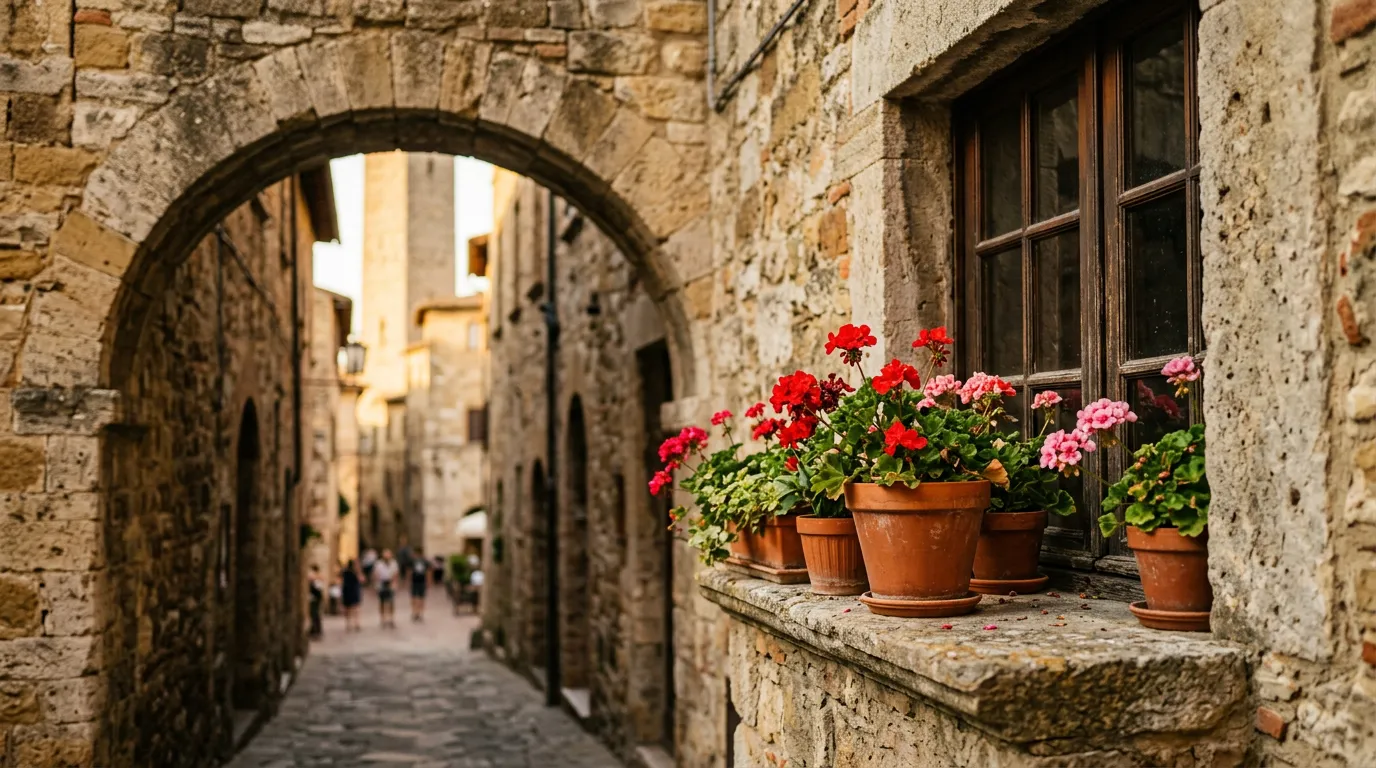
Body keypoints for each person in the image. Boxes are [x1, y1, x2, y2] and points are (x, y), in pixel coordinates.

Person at [373, 549, 399, 628]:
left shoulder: (394, 563)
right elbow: (376, 574)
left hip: (390, 583)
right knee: (382, 602)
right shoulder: (379, 564)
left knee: (391, 602)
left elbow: (396, 574)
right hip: (382, 583)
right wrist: (376, 585)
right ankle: (383, 619)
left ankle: (391, 619)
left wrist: (394, 583)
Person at [341, 560, 362, 632]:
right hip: (353, 590)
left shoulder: (345, 571)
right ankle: (356, 623)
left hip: (347, 590)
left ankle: (349, 623)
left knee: (348, 608)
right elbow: (361, 579)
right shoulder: (355, 572)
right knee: (355, 608)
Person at [409, 547, 429, 622]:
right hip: (416, 581)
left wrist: (428, 581)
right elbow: (410, 571)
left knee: (419, 598)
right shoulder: (413, 561)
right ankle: (416, 612)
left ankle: (418, 612)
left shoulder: (424, 561)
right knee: (416, 597)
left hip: (420, 581)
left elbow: (428, 571)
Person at [307, 565, 324, 639]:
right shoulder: (316, 580)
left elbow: (318, 591)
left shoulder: (317, 580)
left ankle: (316, 630)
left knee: (315, 614)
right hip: (313, 599)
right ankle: (314, 629)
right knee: (313, 614)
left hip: (315, 600)